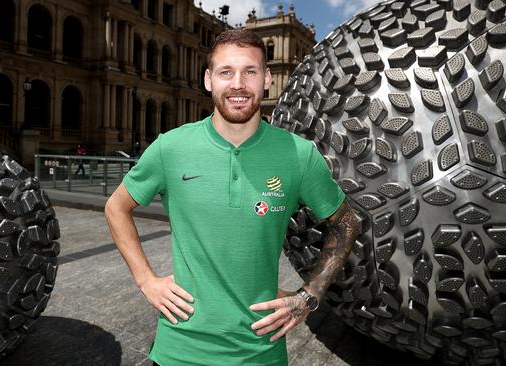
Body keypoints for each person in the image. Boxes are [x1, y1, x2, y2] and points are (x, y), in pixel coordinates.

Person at [105, 29, 362, 366]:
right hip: (180, 350)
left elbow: (346, 223)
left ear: (267, 79)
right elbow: (116, 207)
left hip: (260, 353)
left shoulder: (298, 155)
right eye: (226, 72)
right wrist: (146, 280)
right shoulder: (171, 147)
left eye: (250, 72)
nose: (238, 84)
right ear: (209, 80)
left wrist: (308, 296)